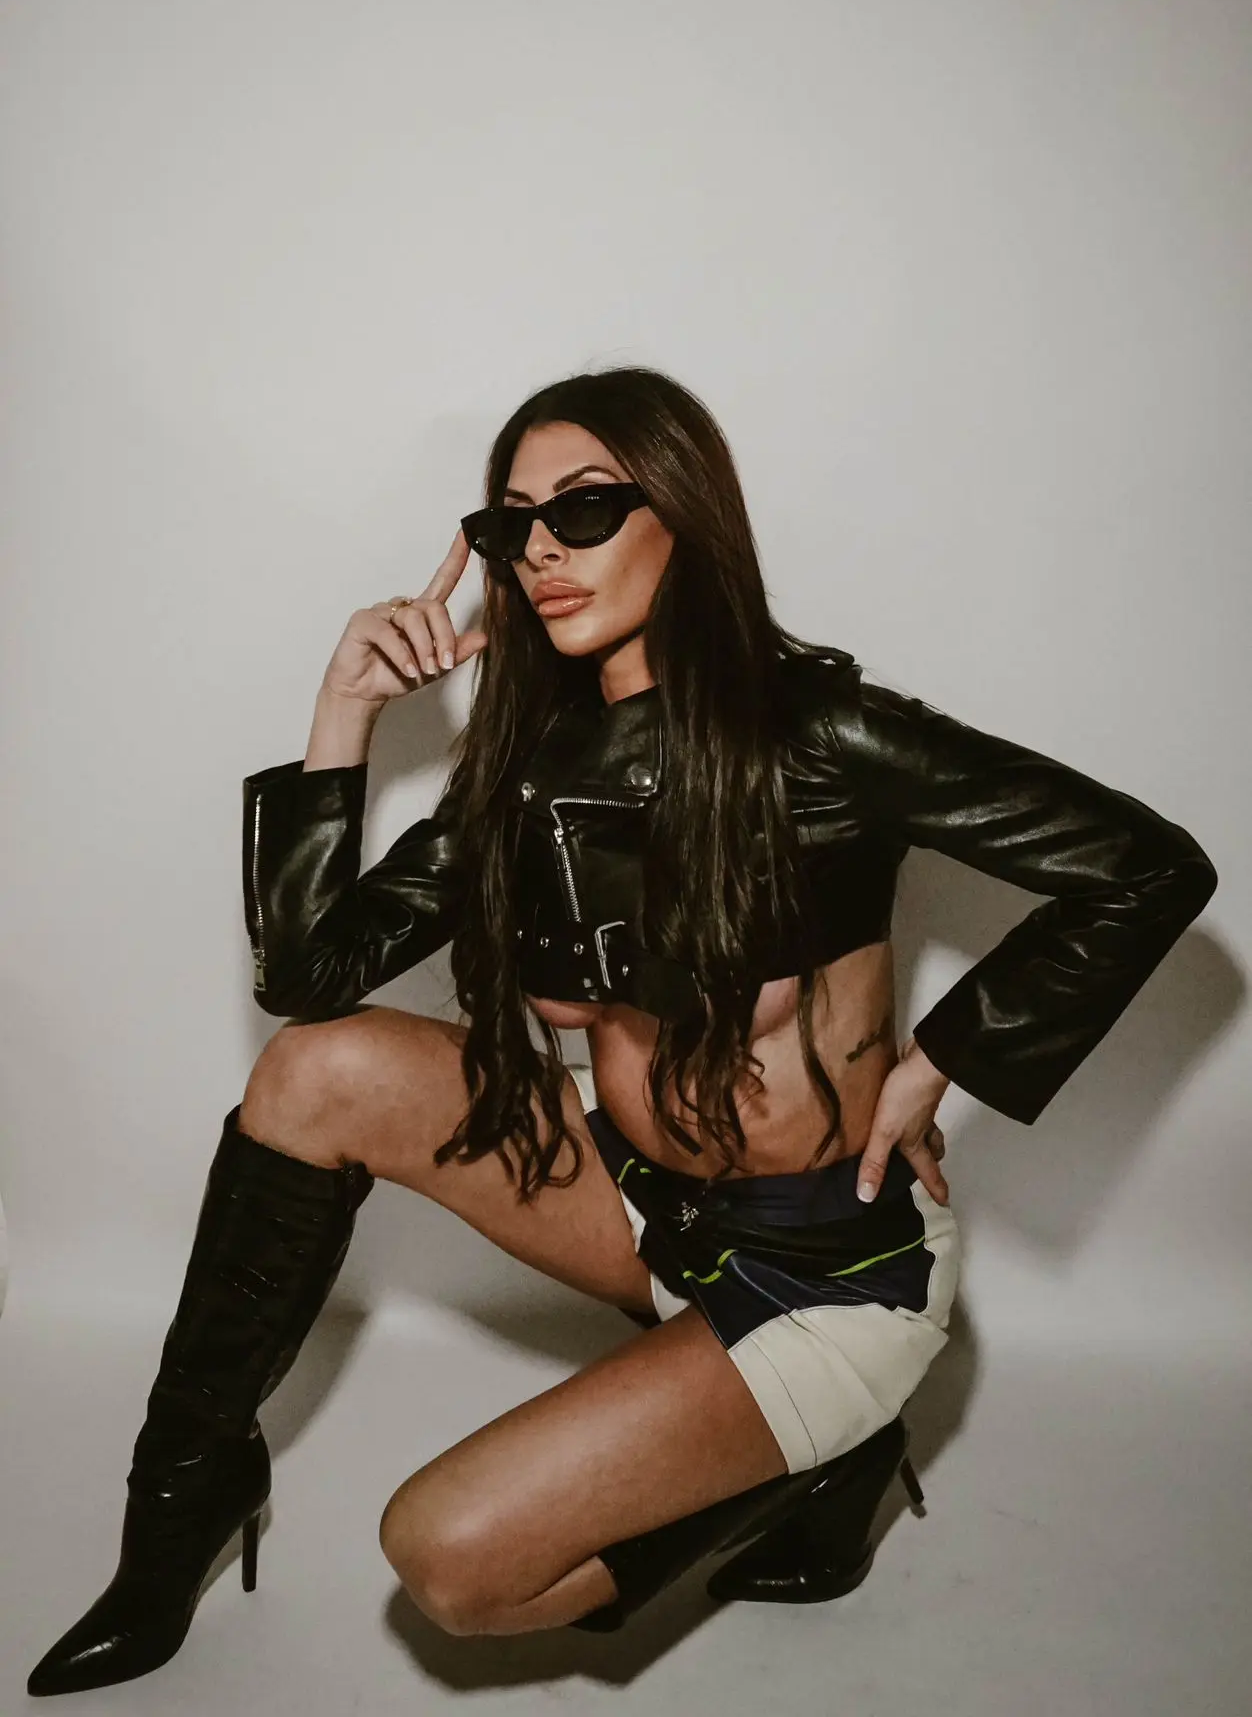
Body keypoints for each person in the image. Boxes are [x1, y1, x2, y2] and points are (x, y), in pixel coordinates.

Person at [28, 366, 1218, 1693]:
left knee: (450, 1562)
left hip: (826, 1274)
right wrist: (345, 712)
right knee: (312, 1073)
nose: (539, 549)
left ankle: (828, 1455)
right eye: (511, 522)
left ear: (684, 515)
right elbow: (312, 977)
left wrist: (942, 1058)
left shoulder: (820, 736)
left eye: (583, 508)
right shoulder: (526, 762)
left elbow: (1145, 867)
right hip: (644, 1212)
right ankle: (184, 1497)